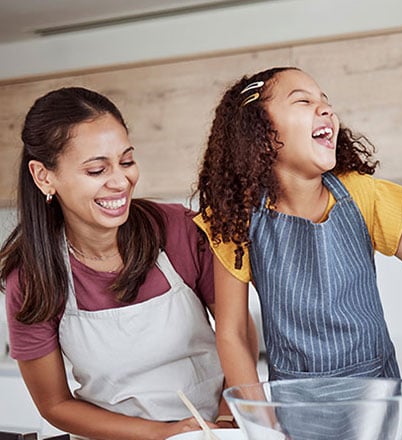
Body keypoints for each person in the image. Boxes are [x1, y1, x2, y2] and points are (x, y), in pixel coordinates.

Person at [194, 67, 402, 436]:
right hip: (295, 417)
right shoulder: (236, 221)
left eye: (326, 102)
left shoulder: (363, 195)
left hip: (376, 412)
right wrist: (262, 424)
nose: (326, 109)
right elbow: (232, 332)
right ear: (260, 134)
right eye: (304, 101)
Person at [0, 87, 246, 440]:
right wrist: (164, 433)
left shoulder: (178, 230)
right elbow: (54, 404)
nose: (120, 182)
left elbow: (237, 331)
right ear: (44, 176)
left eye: (127, 161)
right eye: (97, 169)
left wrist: (224, 423)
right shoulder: (31, 277)